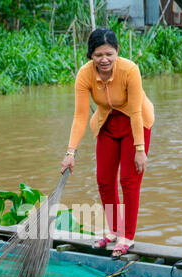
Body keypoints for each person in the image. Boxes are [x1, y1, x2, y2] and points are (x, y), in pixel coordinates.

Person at [60, 28, 154, 259]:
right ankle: (114, 231)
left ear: (117, 52)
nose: (104, 60)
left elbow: (134, 111)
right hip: (106, 124)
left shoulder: (130, 70)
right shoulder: (84, 75)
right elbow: (80, 116)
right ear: (91, 55)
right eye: (98, 55)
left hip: (136, 124)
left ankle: (127, 237)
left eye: (109, 54)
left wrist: (140, 151)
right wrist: (70, 152)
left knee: (129, 180)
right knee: (103, 180)